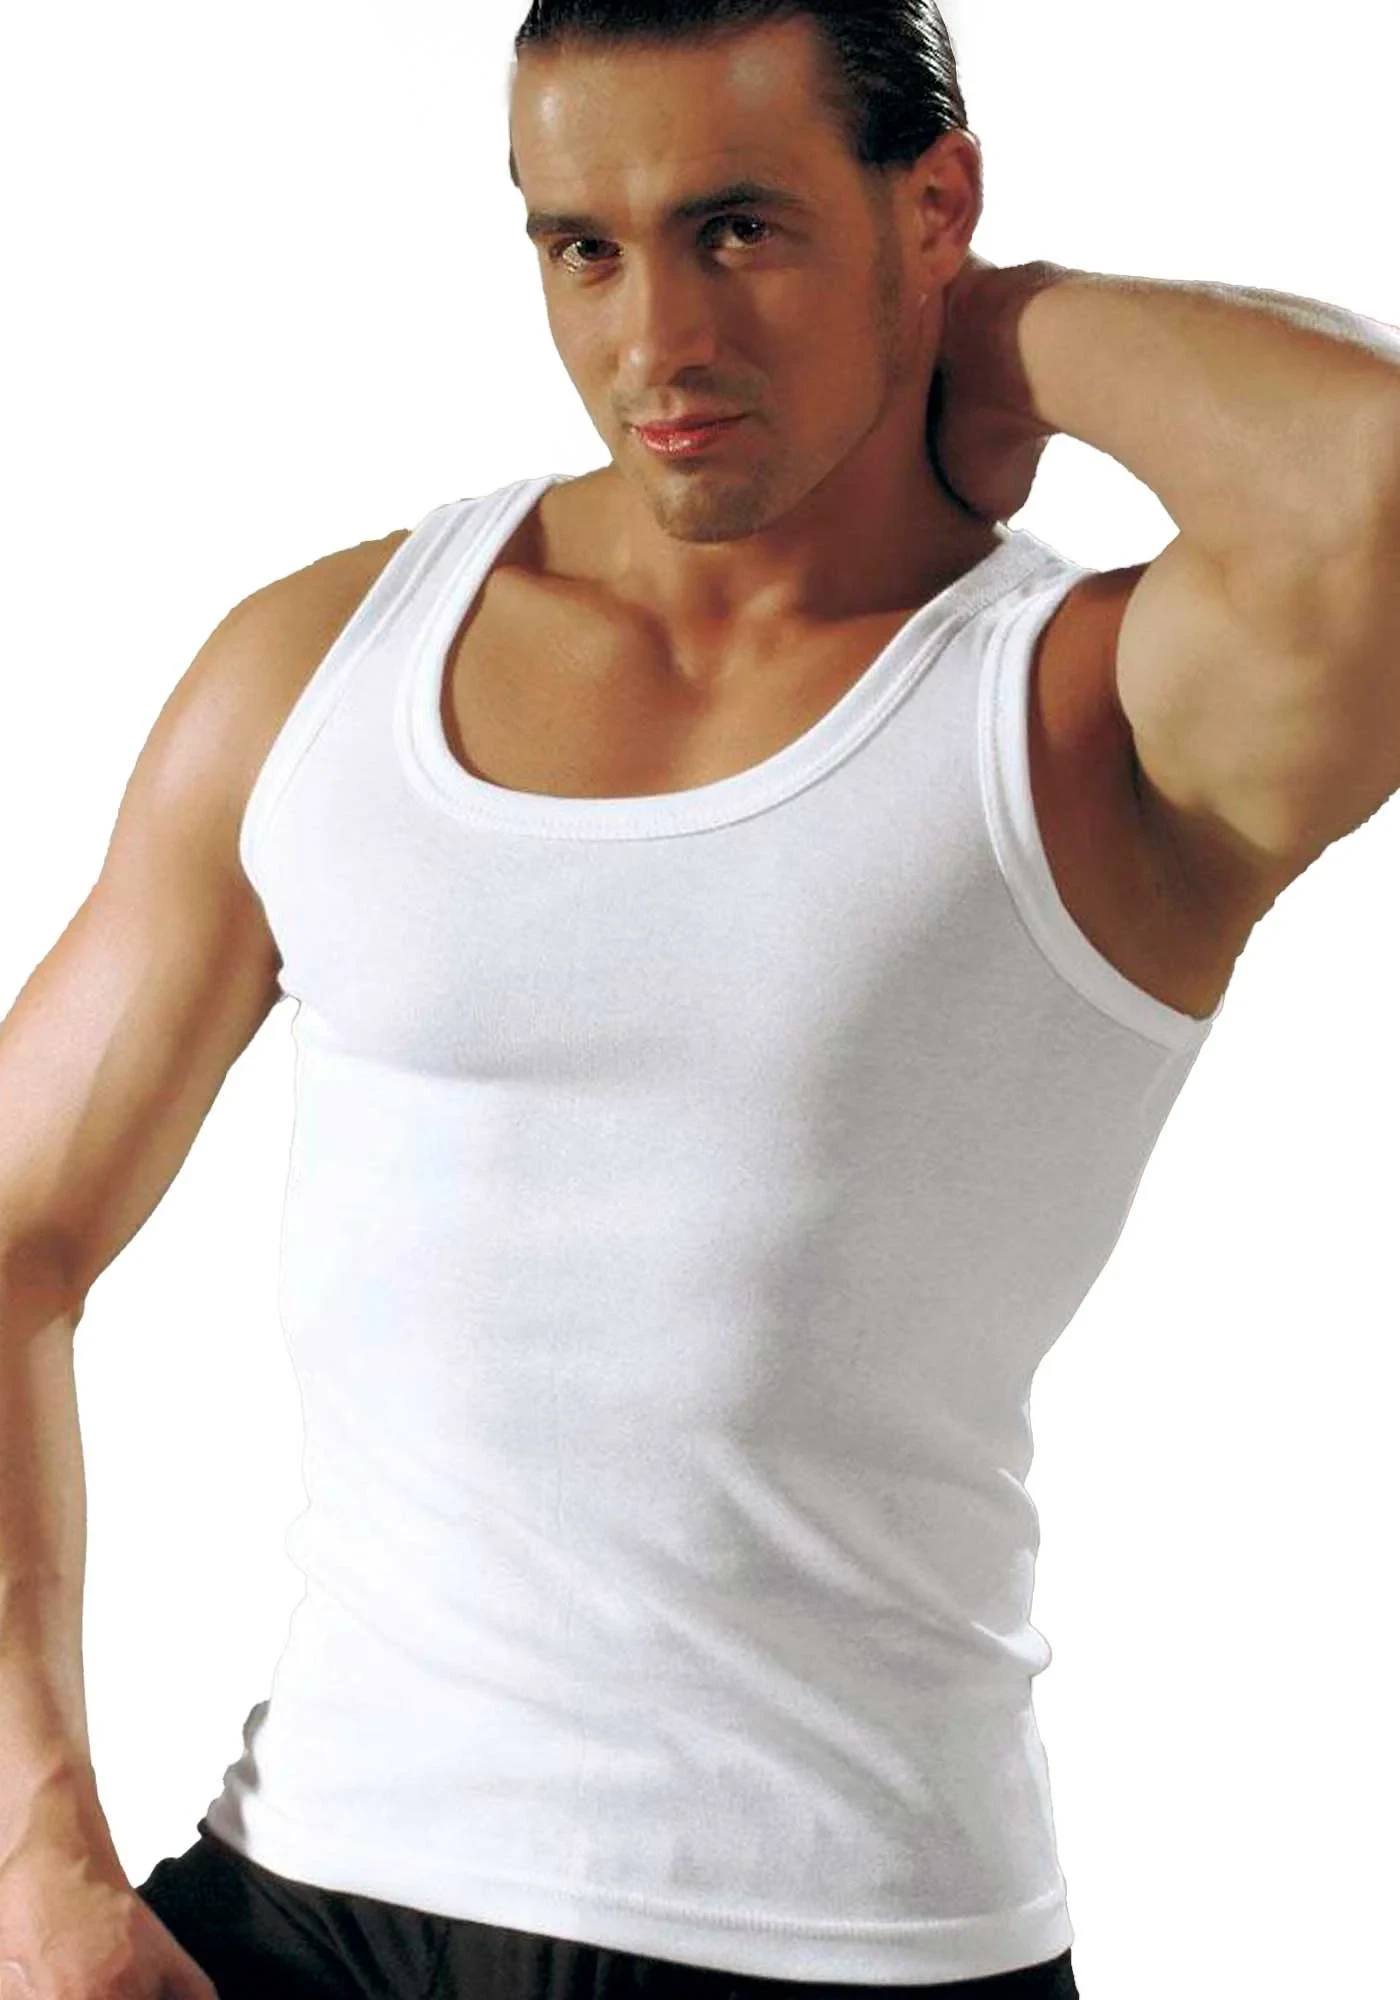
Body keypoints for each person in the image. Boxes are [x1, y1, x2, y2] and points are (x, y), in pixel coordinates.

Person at [3, 2, 1399, 1996]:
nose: (655, 339)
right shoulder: (319, 670)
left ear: (934, 204)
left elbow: (1375, 483)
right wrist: (35, 1866)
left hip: (845, 1944)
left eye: (737, 228)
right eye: (583, 246)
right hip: (294, 1907)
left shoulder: (1092, 714)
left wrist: (1002, 330)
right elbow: (13, 1231)